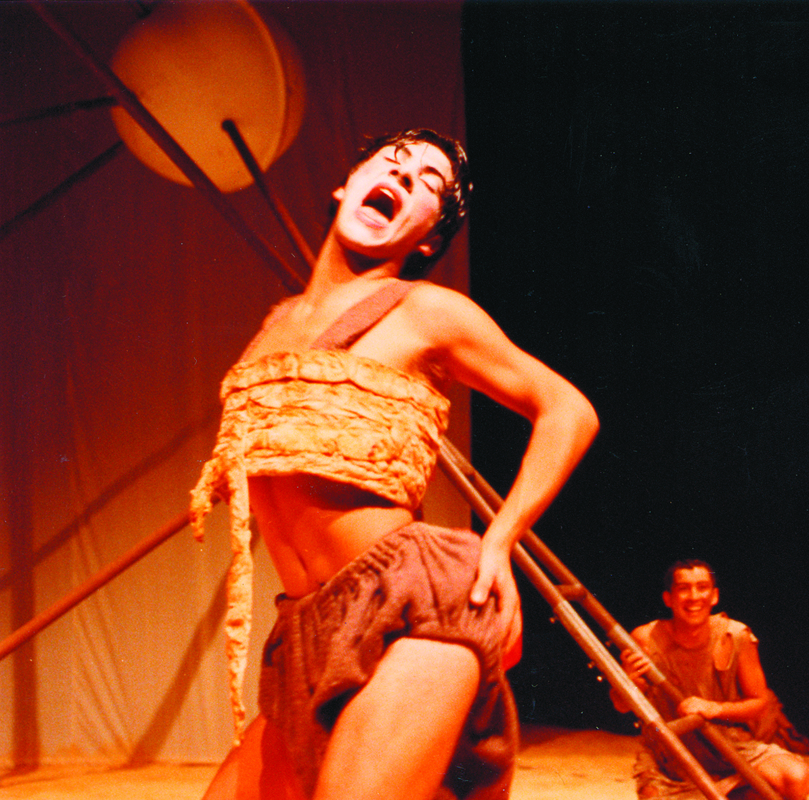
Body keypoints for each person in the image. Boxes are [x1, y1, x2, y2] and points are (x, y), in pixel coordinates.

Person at [189, 129, 599, 800]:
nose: (406, 178)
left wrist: (499, 542)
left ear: (429, 239)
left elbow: (567, 410)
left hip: (411, 607)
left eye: (429, 184)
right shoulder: (274, 325)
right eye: (393, 163)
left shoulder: (426, 311)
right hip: (304, 629)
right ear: (345, 185)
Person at [612, 560, 809, 800]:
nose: (694, 597)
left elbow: (761, 704)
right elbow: (621, 705)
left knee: (797, 778)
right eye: (683, 589)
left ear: (714, 596)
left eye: (702, 587)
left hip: (729, 748)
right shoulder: (645, 638)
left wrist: (715, 709)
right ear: (668, 598)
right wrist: (629, 683)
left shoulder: (736, 636)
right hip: (670, 757)